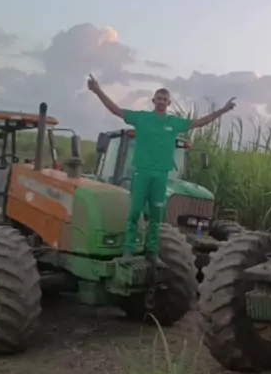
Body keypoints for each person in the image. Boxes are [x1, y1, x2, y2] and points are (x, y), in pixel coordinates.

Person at [87, 74, 236, 263]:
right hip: (142, 171)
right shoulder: (142, 118)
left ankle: (153, 252)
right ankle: (129, 251)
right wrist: (97, 90)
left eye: (165, 99)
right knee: (135, 213)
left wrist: (223, 110)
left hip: (161, 175)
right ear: (154, 101)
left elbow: (199, 122)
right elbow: (116, 110)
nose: (161, 102)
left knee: (157, 217)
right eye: (159, 98)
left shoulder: (174, 123)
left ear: (169, 103)